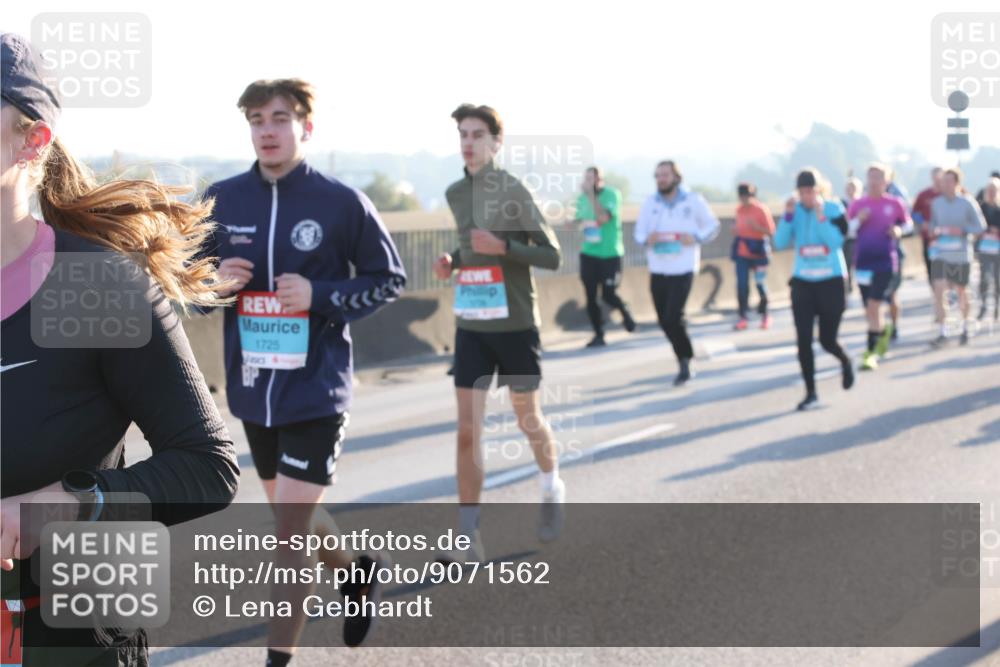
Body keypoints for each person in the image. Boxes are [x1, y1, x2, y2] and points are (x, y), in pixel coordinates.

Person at [0, 33, 239, 666]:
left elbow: (209, 467)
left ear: (32, 140)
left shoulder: (97, 286)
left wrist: (66, 504)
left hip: (71, 632)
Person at [202, 79, 407, 660]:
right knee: (299, 520)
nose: (267, 130)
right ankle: (357, 574)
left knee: (290, 538)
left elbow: (388, 279)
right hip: (253, 394)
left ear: (305, 127)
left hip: (317, 392)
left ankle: (277, 660)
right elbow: (185, 286)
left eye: (280, 118)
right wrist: (214, 284)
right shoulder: (220, 200)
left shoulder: (341, 202)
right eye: (256, 120)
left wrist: (320, 294)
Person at [432, 104, 565, 564]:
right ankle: (468, 537)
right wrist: (452, 261)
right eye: (463, 134)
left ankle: (551, 485)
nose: (468, 143)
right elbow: (469, 248)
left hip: (515, 324)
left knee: (527, 417)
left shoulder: (513, 190)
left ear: (496, 142)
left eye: (477, 135)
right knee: (467, 431)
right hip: (472, 323)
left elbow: (551, 255)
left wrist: (504, 247)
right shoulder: (455, 193)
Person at [773, 169, 855, 411]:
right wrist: (788, 216)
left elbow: (836, 242)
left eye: (810, 191)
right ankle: (811, 393)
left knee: (827, 340)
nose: (806, 196)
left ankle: (845, 360)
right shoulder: (795, 211)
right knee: (803, 340)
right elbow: (779, 242)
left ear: (819, 190)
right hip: (803, 282)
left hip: (831, 281)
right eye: (802, 192)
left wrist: (820, 216)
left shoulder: (833, 208)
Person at [634, 160, 720, 385]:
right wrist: (647, 239)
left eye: (665, 175)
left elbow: (713, 225)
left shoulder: (693, 200)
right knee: (664, 320)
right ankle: (683, 354)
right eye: (658, 176)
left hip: (683, 268)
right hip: (658, 268)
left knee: (674, 316)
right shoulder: (650, 203)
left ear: (676, 177)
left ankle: (685, 359)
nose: (661, 179)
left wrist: (696, 237)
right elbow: (638, 233)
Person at [846, 163, 912, 370]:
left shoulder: (895, 203)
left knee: (874, 305)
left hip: (885, 262)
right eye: (871, 177)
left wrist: (899, 231)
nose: (874, 181)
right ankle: (883, 332)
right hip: (863, 262)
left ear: (887, 181)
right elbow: (848, 231)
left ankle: (870, 351)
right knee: (869, 309)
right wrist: (858, 220)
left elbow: (908, 225)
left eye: (879, 177)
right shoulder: (858, 204)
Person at [574, 166, 635, 347]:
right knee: (591, 297)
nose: (589, 182)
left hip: (610, 254)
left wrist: (591, 195)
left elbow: (603, 218)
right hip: (589, 254)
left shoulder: (612, 195)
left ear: (601, 180)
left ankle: (624, 310)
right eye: (587, 178)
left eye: (593, 178)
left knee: (608, 294)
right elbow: (579, 220)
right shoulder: (581, 199)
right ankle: (598, 334)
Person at [927, 168, 988, 347]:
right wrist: (934, 231)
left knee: (961, 292)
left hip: (961, 254)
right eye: (943, 181)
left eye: (949, 181)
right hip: (941, 253)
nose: (945, 184)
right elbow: (932, 226)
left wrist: (962, 231)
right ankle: (943, 332)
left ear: (957, 183)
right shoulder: (936, 203)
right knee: (939, 291)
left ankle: (965, 326)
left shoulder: (967, 202)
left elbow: (980, 227)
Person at [731, 182, 776, 330]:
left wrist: (757, 228)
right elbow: (738, 229)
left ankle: (765, 315)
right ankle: (743, 316)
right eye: (741, 196)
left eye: (747, 196)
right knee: (742, 285)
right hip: (742, 253)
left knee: (760, 284)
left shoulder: (761, 210)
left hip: (759, 253)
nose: (744, 199)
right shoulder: (739, 210)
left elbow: (771, 231)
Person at [912, 167, 944, 286]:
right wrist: (923, 222)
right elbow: (914, 213)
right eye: (935, 178)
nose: (937, 181)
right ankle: (935, 291)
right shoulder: (923, 195)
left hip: (946, 238)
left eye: (940, 178)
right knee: (931, 266)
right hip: (928, 238)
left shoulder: (948, 194)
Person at [976, 177, 1000, 321]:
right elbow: (975, 225)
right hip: (984, 248)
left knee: (997, 279)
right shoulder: (981, 208)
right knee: (984, 278)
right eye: (989, 190)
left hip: (998, 249)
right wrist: (983, 231)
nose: (991, 193)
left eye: (994, 190)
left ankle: (997, 306)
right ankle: (984, 305)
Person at [841, 176, 863, 296]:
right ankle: (848, 286)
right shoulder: (842, 204)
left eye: (853, 188)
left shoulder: (863, 203)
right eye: (849, 188)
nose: (851, 190)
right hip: (848, 238)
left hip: (861, 237)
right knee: (847, 262)